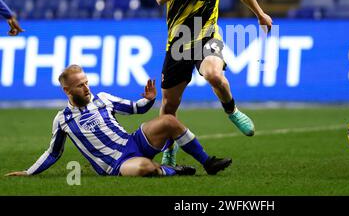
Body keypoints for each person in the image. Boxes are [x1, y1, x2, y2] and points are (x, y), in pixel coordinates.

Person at [155, 0, 273, 166]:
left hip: (207, 36)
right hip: (178, 44)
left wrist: (260, 14)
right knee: (168, 106)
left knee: (214, 75)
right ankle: (169, 149)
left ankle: (232, 111)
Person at [5, 65, 232, 177]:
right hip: (116, 165)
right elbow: (53, 153)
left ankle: (207, 162)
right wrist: (29, 172)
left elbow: (135, 108)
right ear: (67, 90)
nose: (86, 88)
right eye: (80, 85)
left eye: (86, 82)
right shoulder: (62, 120)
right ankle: (171, 170)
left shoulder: (103, 98)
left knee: (169, 121)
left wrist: (149, 100)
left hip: (134, 142)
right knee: (144, 167)